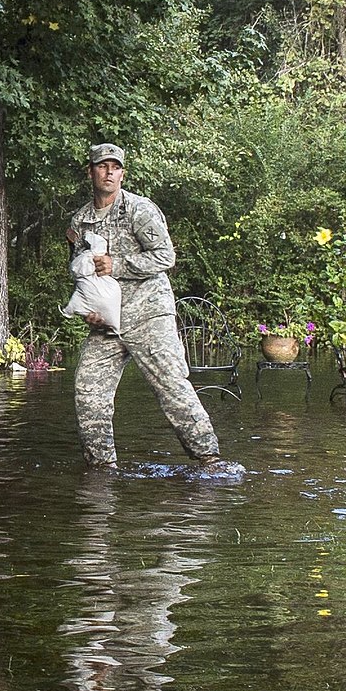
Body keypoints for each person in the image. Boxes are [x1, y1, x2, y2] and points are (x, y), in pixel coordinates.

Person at [67, 143, 231, 472]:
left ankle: (211, 461)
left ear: (122, 173)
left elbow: (165, 256)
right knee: (88, 391)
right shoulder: (81, 220)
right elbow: (78, 271)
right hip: (107, 324)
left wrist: (118, 264)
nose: (109, 172)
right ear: (91, 172)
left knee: (171, 385)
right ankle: (102, 470)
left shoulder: (139, 210)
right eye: (102, 166)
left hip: (149, 313)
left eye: (115, 167)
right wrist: (88, 311)